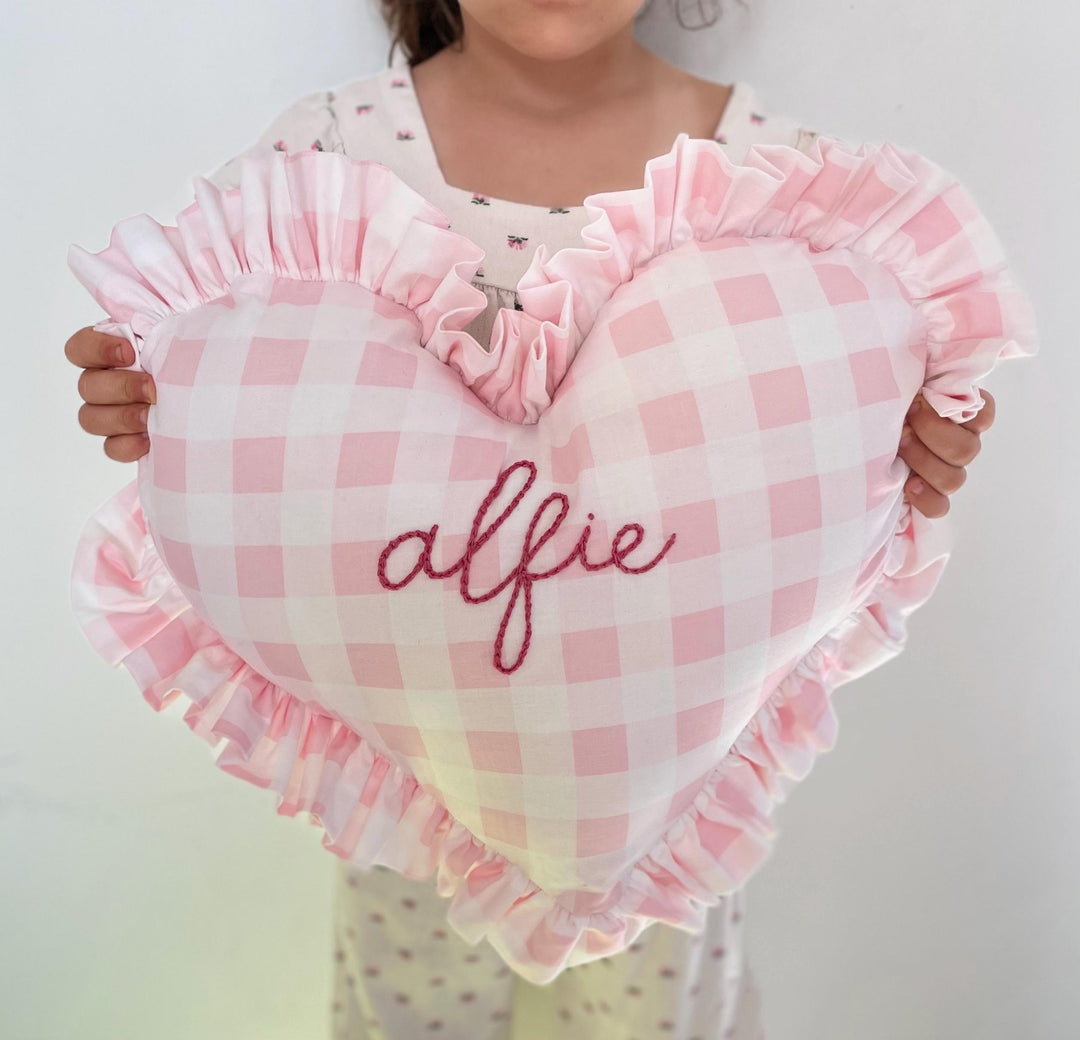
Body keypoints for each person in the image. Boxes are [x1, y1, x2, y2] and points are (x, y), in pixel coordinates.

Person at [62, 2, 996, 1037]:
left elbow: (841, 435)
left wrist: (913, 438)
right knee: (404, 1012)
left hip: (660, 789)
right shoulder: (326, 158)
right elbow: (225, 381)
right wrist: (157, 398)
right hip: (410, 785)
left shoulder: (780, 185)